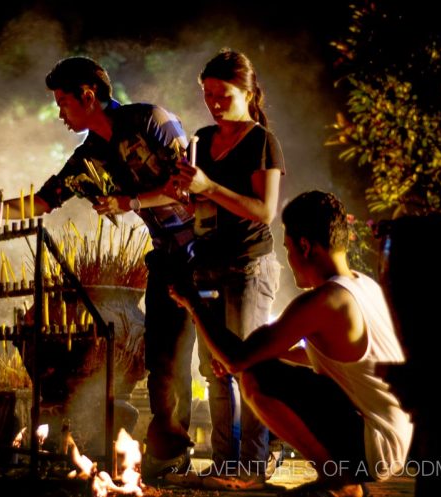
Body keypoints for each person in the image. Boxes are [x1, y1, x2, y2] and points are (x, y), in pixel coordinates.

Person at [0, 56, 197, 479]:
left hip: (207, 251)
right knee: (162, 362)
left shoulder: (150, 120)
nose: (60, 113)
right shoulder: (89, 158)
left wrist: (127, 202)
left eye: (63, 102)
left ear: (88, 95)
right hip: (166, 258)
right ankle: (168, 456)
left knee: (214, 361)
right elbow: (41, 203)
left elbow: (187, 185)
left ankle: (238, 459)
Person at [169, 191, 414, 497]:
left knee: (256, 377)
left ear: (304, 246)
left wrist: (193, 303)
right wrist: (262, 354)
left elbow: (236, 360)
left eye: (286, 248)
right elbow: (326, 357)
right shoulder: (364, 286)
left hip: (373, 445)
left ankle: (337, 479)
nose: (288, 258)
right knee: (262, 364)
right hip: (395, 438)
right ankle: (343, 478)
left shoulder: (323, 300)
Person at [175, 49, 285, 490]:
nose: (214, 103)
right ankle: (224, 465)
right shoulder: (202, 137)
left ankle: (253, 468)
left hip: (248, 265)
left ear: (247, 91)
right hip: (207, 264)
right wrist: (188, 194)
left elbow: (265, 211)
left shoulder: (261, 141)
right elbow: (201, 201)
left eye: (222, 94)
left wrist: (209, 186)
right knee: (215, 369)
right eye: (207, 94)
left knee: (248, 367)